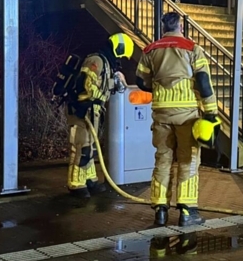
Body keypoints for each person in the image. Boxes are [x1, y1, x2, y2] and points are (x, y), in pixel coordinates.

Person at [136, 12, 218, 227]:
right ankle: (187, 212)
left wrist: (158, 88)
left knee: (162, 160)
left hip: (161, 113)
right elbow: (203, 81)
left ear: (163, 27)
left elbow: (141, 81)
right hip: (187, 115)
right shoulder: (192, 49)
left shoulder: (150, 50)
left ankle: (160, 211)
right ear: (180, 26)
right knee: (188, 161)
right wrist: (211, 112)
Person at [66, 33, 133, 198]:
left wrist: (116, 81)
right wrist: (112, 83)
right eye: (122, 55)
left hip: (92, 111)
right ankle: (76, 183)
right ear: (119, 49)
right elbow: (87, 85)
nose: (120, 59)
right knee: (81, 147)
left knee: (90, 147)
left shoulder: (106, 62)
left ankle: (89, 179)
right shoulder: (96, 60)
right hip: (82, 110)